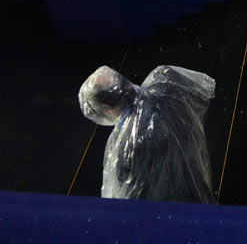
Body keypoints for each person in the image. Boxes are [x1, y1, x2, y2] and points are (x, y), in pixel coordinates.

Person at [78, 65, 216, 203]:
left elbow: (129, 198)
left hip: (174, 208)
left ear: (107, 109)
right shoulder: (164, 81)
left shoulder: (126, 148)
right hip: (197, 176)